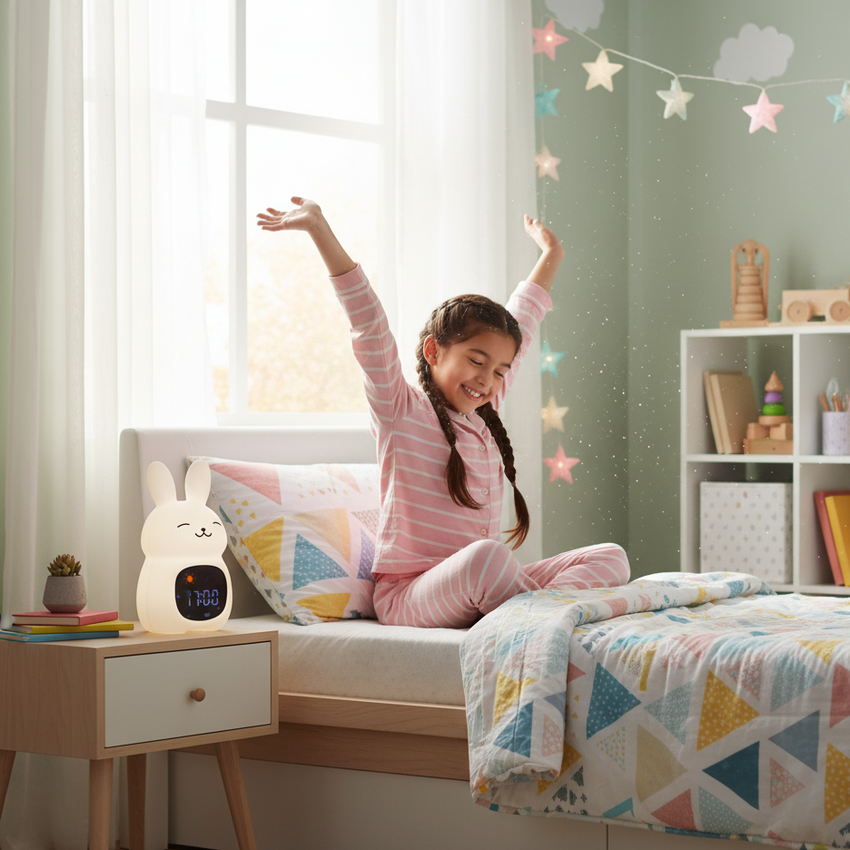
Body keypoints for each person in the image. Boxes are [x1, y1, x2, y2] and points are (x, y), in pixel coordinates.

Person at [257, 197, 630, 628]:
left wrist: (552, 255)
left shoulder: (485, 413)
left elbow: (521, 325)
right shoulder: (401, 411)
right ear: (433, 351)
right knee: (490, 559)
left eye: (498, 371)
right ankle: (539, 620)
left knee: (610, 558)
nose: (487, 380)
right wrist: (319, 229)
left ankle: (533, 612)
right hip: (410, 595)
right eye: (476, 361)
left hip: (477, 582)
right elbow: (370, 327)